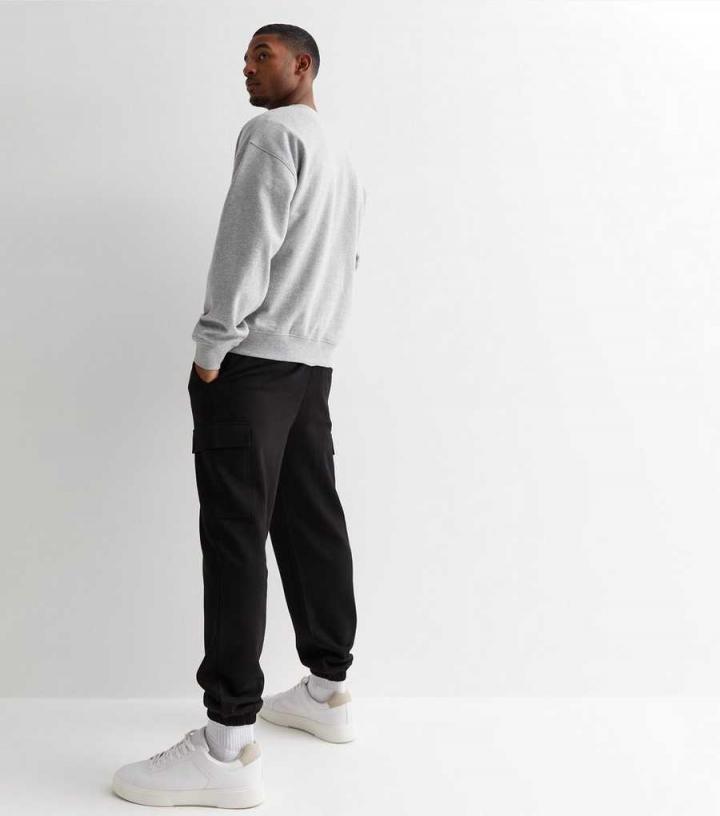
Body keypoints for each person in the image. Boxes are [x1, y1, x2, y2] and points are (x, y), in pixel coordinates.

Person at [112, 23, 367, 808]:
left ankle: (227, 746)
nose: (248, 67)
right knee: (310, 519)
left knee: (234, 538)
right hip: (311, 364)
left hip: (252, 365)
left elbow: (245, 243)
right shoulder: (340, 154)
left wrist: (211, 346)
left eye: (264, 54)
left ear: (303, 65)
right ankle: (327, 691)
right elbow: (344, 261)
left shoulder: (272, 135)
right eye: (247, 56)